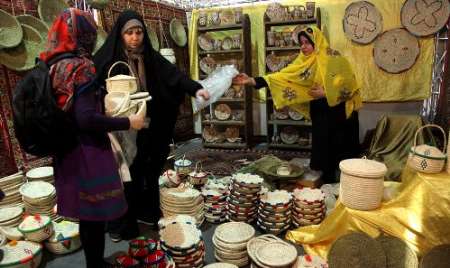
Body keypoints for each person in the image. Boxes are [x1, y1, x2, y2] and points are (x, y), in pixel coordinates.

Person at [40, 8, 145, 267]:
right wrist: (128, 121)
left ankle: (94, 262)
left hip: (66, 149)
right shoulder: (81, 67)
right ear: (84, 34)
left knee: (87, 214)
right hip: (89, 151)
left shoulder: (51, 64)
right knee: (96, 214)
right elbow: (86, 119)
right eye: (90, 29)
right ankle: (96, 264)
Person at [93, 10, 209, 241]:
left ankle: (147, 211)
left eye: (139, 32)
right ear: (120, 34)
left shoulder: (150, 57)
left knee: (148, 170)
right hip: (120, 129)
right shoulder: (107, 59)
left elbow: (174, 76)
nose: (135, 37)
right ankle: (121, 224)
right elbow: (93, 92)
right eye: (129, 33)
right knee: (124, 176)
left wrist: (196, 88)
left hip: (147, 125)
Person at [233, 26, 362, 183]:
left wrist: (326, 92)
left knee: (342, 155)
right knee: (324, 153)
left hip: (340, 113)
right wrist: (251, 80)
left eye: (307, 42)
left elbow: (350, 84)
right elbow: (280, 77)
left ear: (317, 41)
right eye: (301, 43)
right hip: (321, 112)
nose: (303, 46)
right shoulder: (302, 62)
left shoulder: (335, 58)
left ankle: (348, 189)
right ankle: (327, 188)